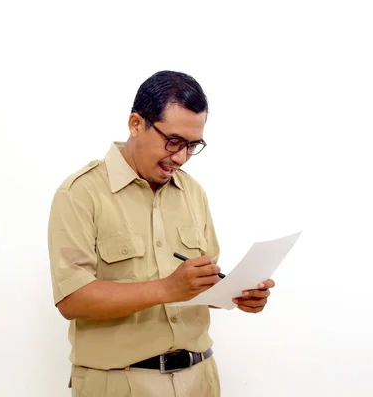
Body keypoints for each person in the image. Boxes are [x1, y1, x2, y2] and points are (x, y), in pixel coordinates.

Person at [47, 70, 275, 396]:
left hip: (200, 378)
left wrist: (236, 294)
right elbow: (72, 299)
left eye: (192, 146)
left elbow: (197, 284)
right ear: (136, 124)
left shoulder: (192, 192)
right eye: (173, 141)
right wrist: (167, 288)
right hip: (120, 384)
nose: (181, 158)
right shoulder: (80, 193)